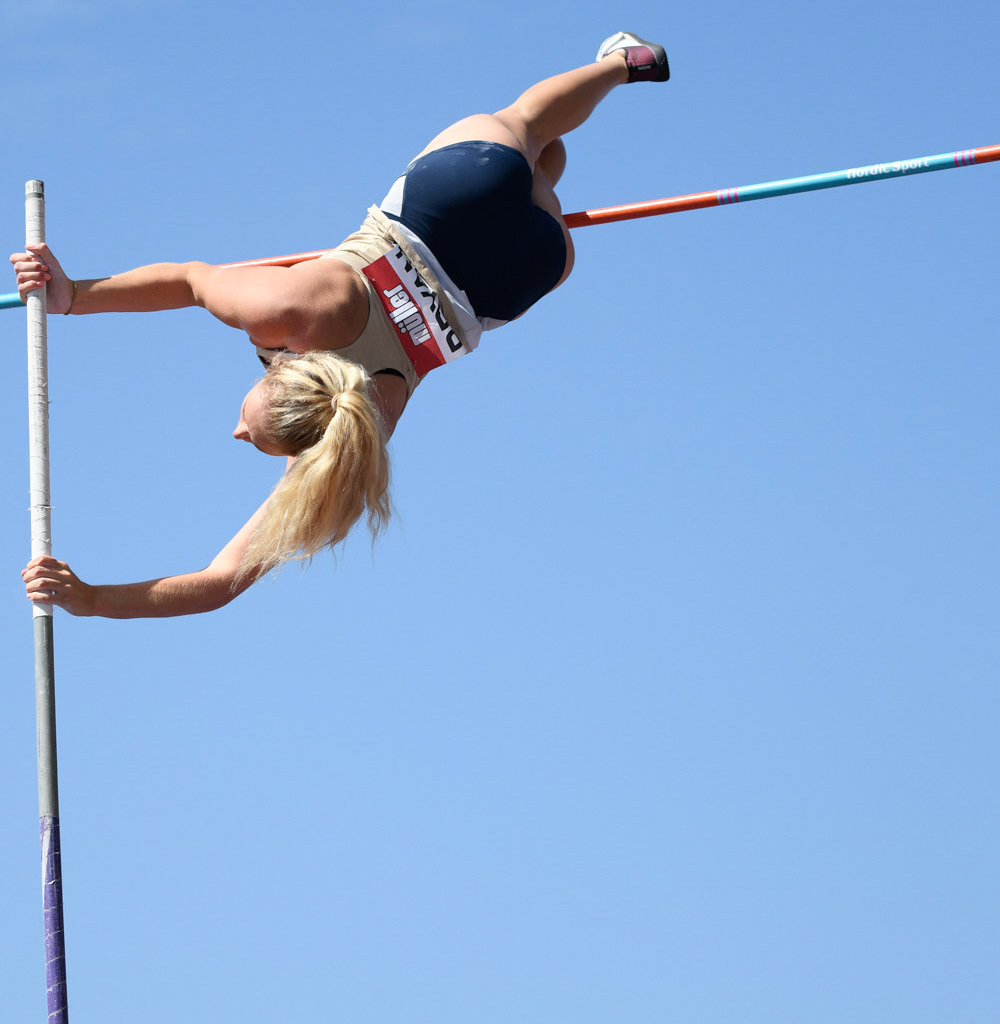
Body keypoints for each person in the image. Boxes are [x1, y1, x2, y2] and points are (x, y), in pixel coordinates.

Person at [14, 32, 669, 619]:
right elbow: (190, 278)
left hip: (524, 274)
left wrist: (94, 599)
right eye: (254, 432)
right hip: (451, 204)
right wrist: (74, 297)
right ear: (283, 380)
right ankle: (621, 64)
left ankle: (538, 172)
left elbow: (220, 584)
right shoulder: (286, 312)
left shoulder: (368, 427)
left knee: (539, 175)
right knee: (523, 123)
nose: (235, 428)